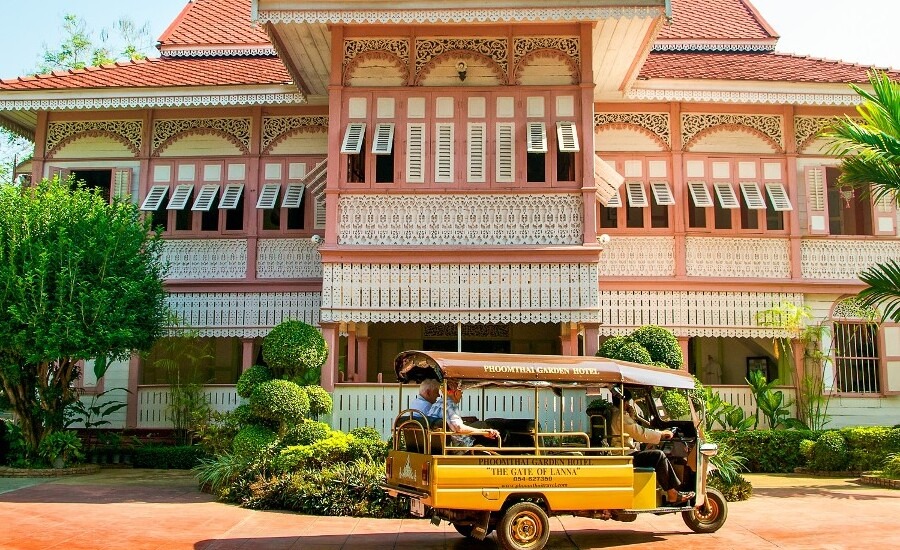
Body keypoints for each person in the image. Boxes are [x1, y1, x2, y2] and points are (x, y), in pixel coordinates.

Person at [610, 388, 695, 505]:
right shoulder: (621, 416)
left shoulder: (618, 414)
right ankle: (672, 493)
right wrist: (661, 434)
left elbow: (637, 430)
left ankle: (669, 490)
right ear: (624, 402)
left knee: (653, 453)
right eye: (628, 403)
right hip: (626, 456)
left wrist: (632, 414)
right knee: (659, 455)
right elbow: (639, 433)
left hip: (625, 453)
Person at [431, 381, 500, 450]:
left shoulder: (436, 404)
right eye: (461, 392)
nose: (461, 395)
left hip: (441, 443)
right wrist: (483, 432)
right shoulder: (450, 405)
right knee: (497, 440)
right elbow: (459, 428)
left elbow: (449, 421)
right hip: (460, 446)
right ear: (456, 393)